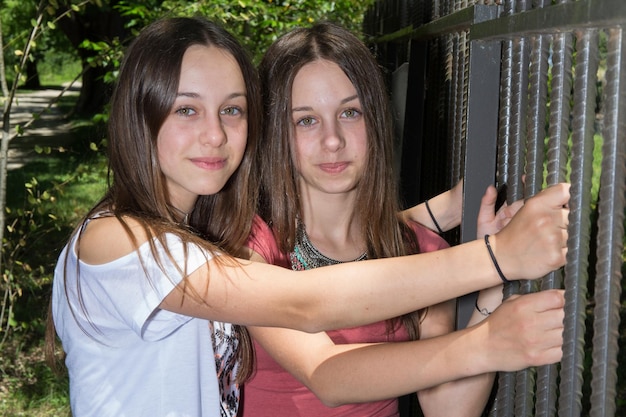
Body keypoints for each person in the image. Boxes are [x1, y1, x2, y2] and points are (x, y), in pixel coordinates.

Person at [46, 16, 569, 417]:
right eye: (186, 109)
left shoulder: (195, 238)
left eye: (232, 109)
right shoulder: (121, 240)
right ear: (140, 114)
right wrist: (496, 260)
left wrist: (448, 225)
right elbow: (304, 302)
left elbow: (357, 255)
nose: (215, 134)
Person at [239, 22, 565, 417]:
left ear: (376, 121)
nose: (332, 140)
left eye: (350, 112)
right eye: (305, 120)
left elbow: (448, 409)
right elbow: (327, 377)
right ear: (277, 133)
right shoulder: (251, 245)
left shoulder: (418, 249)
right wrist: (491, 319)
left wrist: (491, 288)